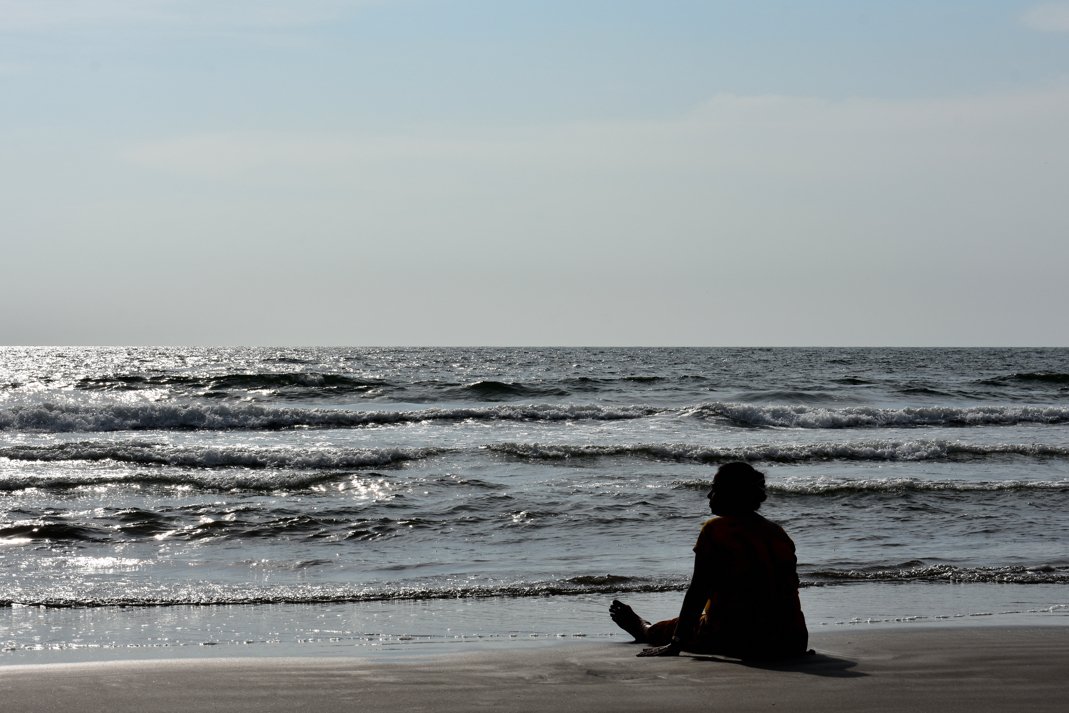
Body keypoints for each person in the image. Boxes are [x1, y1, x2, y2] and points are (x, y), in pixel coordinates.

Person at [610, 461, 808, 659]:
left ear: (731, 493)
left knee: (665, 630)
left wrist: (676, 644)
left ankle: (644, 628)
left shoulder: (716, 530)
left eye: (714, 489)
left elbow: (698, 591)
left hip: (740, 639)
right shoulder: (777, 533)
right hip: (792, 640)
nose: (708, 495)